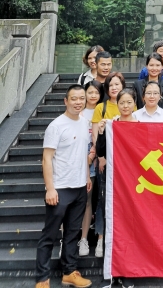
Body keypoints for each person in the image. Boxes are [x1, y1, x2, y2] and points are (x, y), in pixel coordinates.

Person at [34, 84, 92, 288]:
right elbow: (46, 159)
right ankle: (42, 278)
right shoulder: (56, 126)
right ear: (66, 101)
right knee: (49, 235)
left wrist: (87, 177)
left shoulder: (84, 123)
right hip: (60, 188)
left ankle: (69, 272)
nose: (78, 102)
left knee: (72, 233)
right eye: (74, 98)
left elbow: (82, 153)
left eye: (81, 98)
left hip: (79, 187)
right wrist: (50, 188)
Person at [95, 89, 137, 288]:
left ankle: (130, 269)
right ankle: (115, 270)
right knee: (115, 224)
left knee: (132, 226)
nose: (125, 106)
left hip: (135, 184)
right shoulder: (112, 125)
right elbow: (101, 151)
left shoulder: (142, 126)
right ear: (117, 104)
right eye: (122, 103)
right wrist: (102, 132)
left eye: (129, 102)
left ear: (134, 104)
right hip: (114, 182)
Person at [91, 71, 126, 258]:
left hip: (125, 164)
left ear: (123, 87)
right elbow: (96, 135)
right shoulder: (101, 107)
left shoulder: (130, 105)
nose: (114, 88)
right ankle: (100, 239)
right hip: (105, 161)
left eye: (117, 84)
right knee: (102, 200)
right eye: (111, 85)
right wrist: (101, 156)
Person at [78, 80, 103, 257]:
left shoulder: (101, 110)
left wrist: (92, 155)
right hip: (76, 154)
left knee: (88, 199)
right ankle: (70, 238)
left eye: (97, 92)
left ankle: (84, 238)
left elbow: (98, 138)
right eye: (90, 92)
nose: (93, 95)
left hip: (92, 157)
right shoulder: (78, 110)